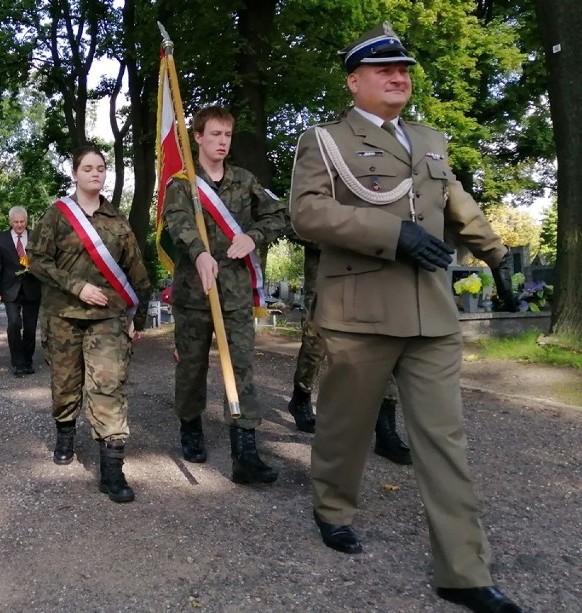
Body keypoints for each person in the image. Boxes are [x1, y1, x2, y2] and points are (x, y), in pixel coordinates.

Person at [289, 22, 521, 613]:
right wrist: (395, 235)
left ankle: (464, 573)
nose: (399, 77)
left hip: (433, 314)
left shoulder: (430, 138)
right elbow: (308, 215)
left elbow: (456, 201)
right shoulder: (325, 140)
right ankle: (333, 507)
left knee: (444, 440)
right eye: (383, 69)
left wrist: (495, 255)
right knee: (345, 426)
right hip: (361, 310)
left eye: (404, 69)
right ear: (354, 81)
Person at [163, 105, 287, 484]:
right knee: (192, 366)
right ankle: (190, 425)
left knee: (242, 368)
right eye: (214, 134)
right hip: (194, 293)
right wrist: (199, 253)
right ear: (197, 137)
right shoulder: (181, 184)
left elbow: (279, 215)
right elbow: (178, 222)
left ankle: (244, 450)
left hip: (234, 294)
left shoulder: (245, 180)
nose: (222, 142)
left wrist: (253, 236)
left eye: (227, 135)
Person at [29, 145, 150, 503]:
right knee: (66, 383)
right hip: (62, 316)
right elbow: (36, 260)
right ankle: (65, 434)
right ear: (75, 173)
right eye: (87, 168)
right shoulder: (57, 215)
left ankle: (112, 470)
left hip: (108, 319)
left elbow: (136, 270)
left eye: (100, 168)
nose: (95, 173)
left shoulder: (118, 221)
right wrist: (76, 285)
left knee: (108, 386)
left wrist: (137, 318)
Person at [286, 238, 411, 465]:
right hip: (327, 264)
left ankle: (385, 429)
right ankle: (301, 396)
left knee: (381, 337)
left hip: (370, 263)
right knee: (317, 339)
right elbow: (297, 223)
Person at [0, 206, 42, 375]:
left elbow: (44, 260)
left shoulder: (36, 236)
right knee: (14, 325)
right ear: (10, 222)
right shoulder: (0, 239)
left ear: (26, 221)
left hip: (32, 287)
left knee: (30, 327)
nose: (19, 225)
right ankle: (17, 362)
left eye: (22, 222)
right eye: (16, 222)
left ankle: (28, 361)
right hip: (10, 289)